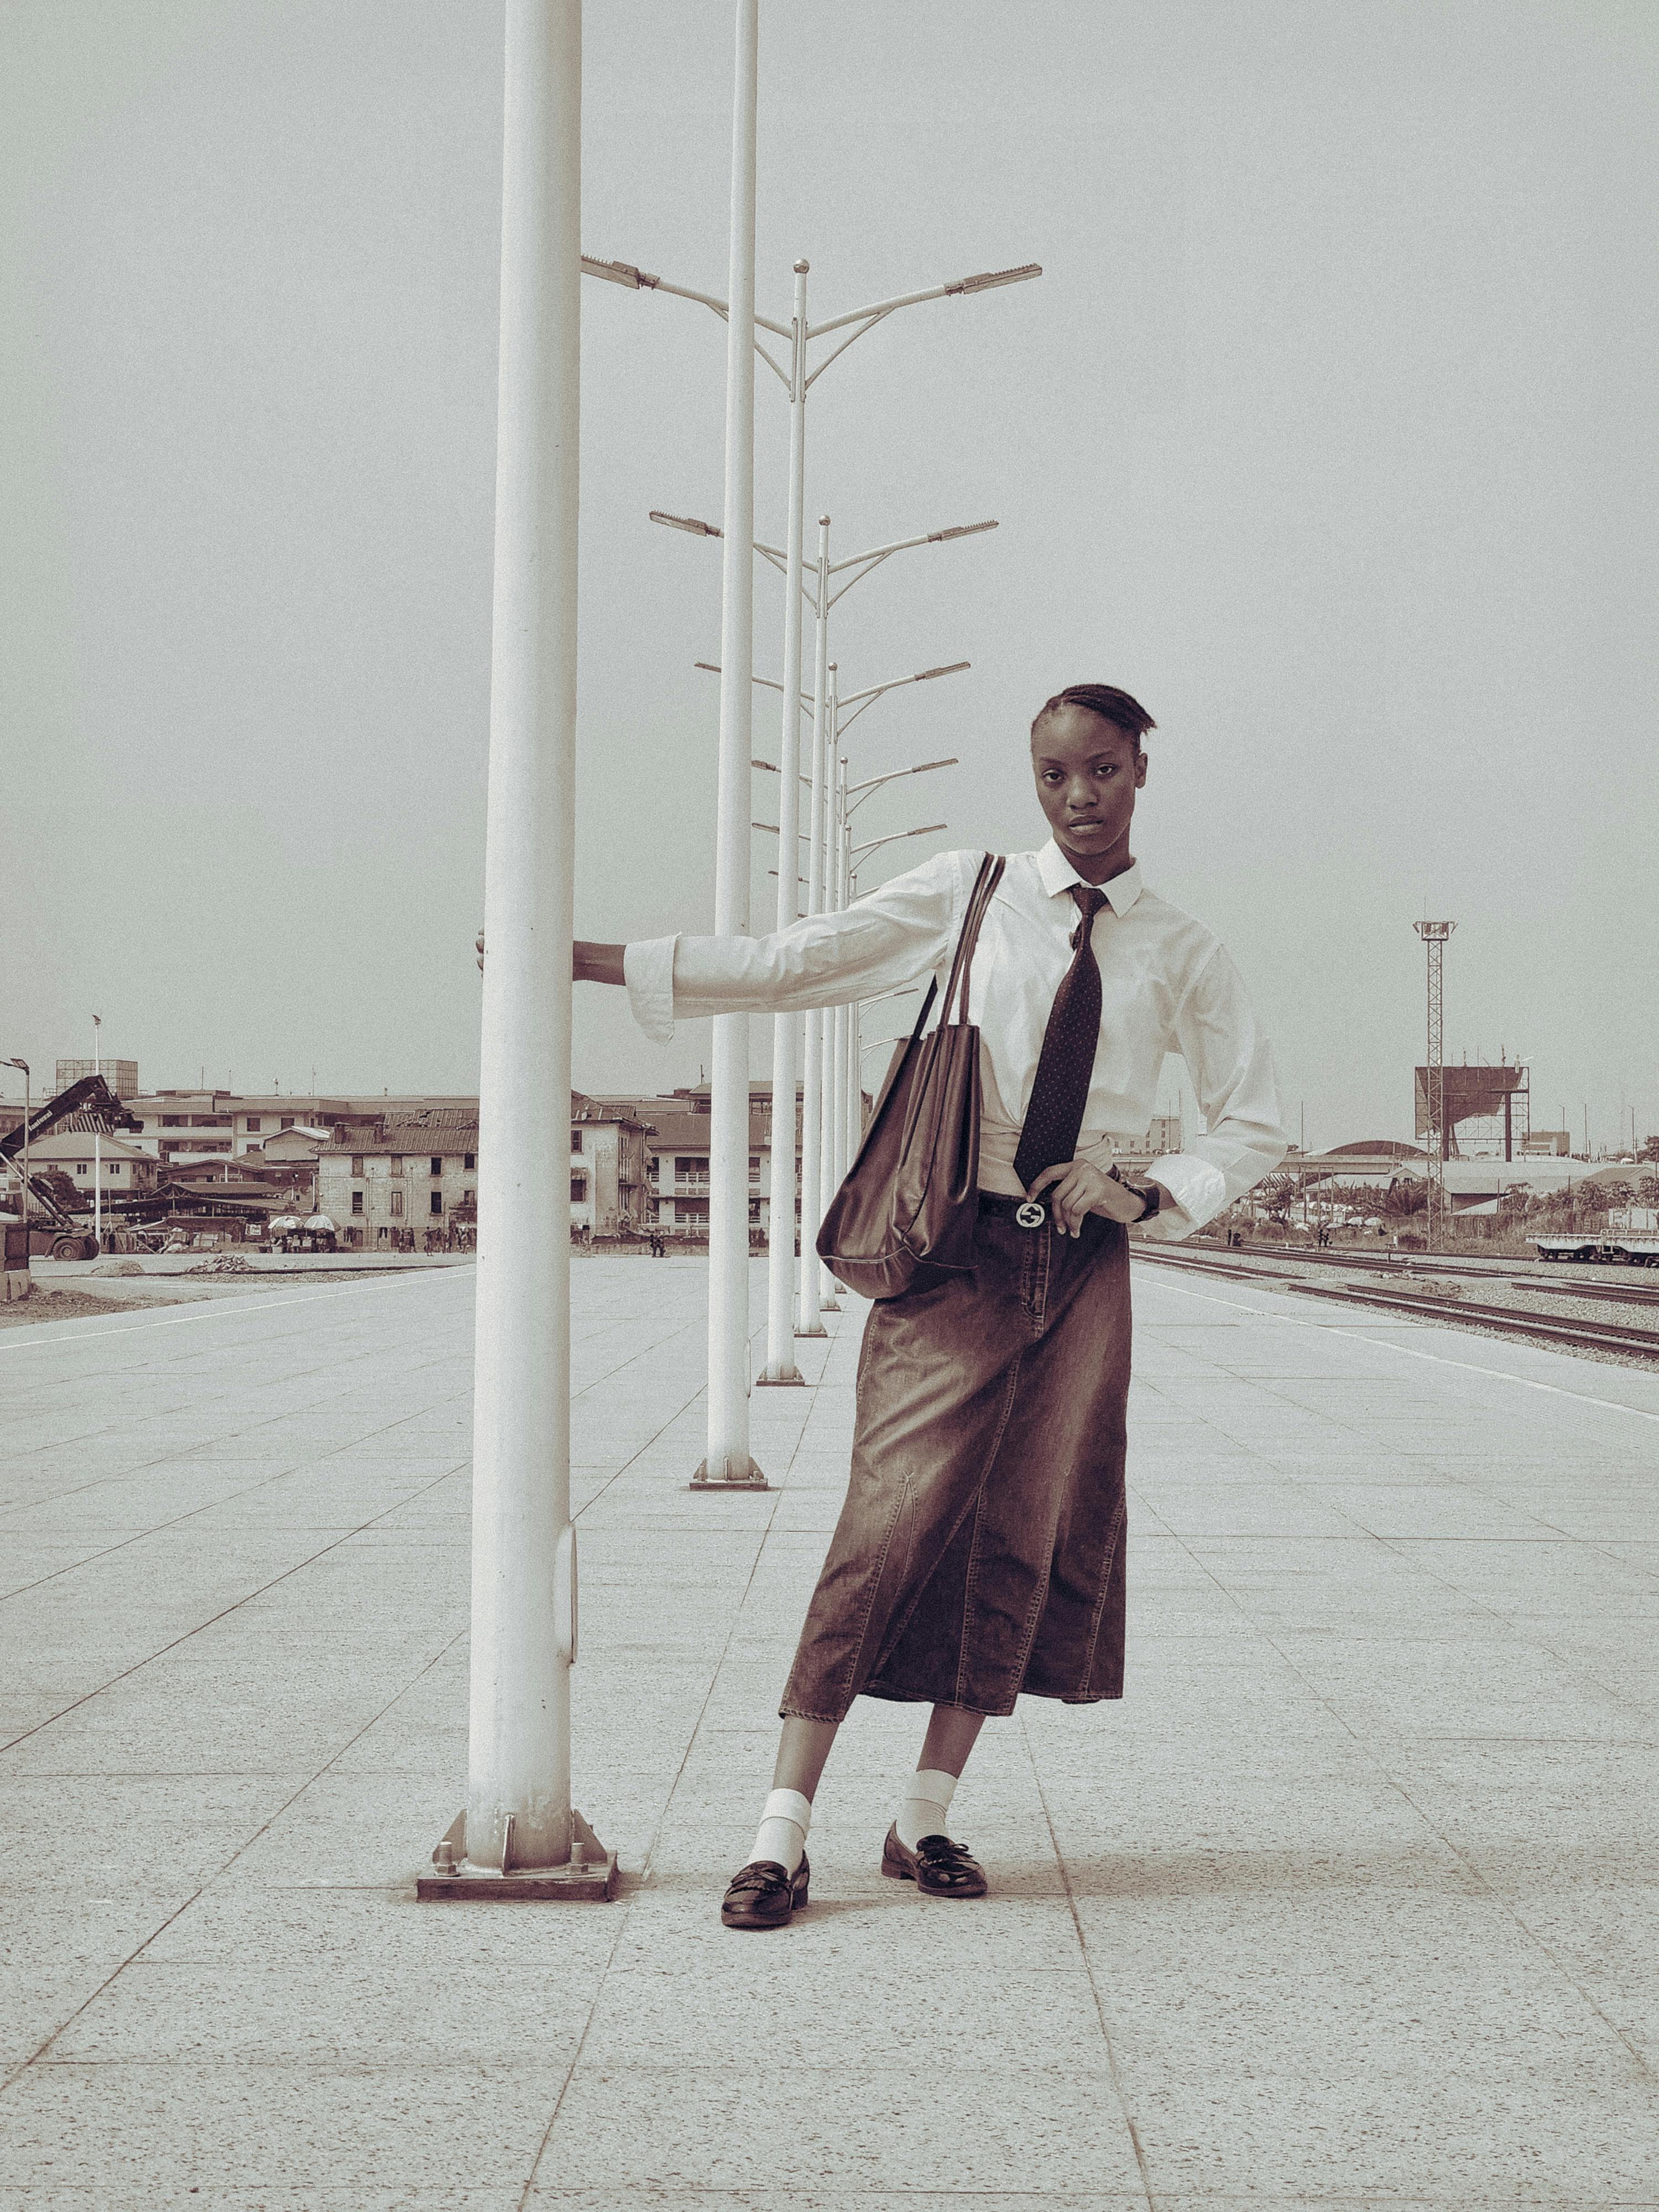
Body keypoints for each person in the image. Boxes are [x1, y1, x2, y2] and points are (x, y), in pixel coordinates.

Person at [574, 682, 1288, 1928]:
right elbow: (800, 960)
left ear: (1140, 775)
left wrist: (1144, 1184)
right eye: (1057, 773)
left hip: (1079, 1272)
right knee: (887, 1526)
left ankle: (925, 1814)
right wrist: (594, 960)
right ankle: (778, 1833)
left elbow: (1258, 1119)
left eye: (1105, 770)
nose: (1080, 797)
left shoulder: (1183, 946)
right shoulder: (971, 891)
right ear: (1035, 778)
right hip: (952, 1254)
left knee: (1026, 1528)